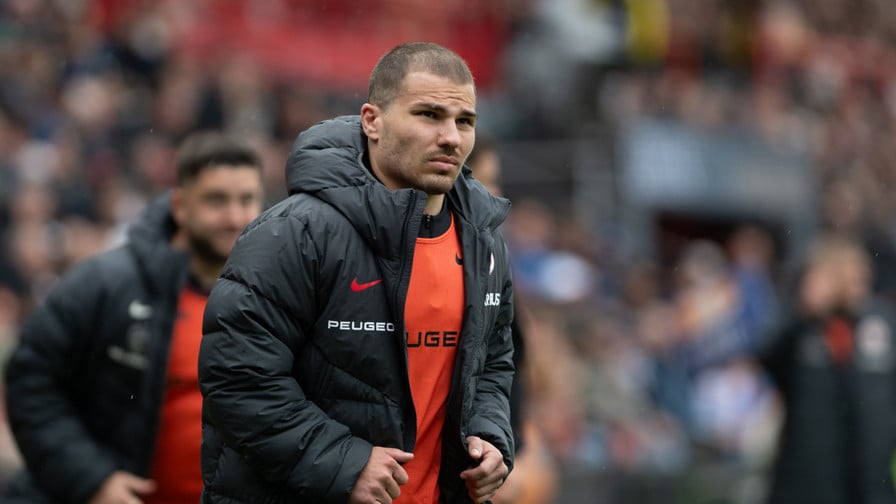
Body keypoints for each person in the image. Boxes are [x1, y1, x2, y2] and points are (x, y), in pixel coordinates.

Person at [198, 42, 515, 504]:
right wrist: (343, 463)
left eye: (464, 122)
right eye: (429, 115)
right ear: (372, 121)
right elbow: (237, 380)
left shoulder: (485, 243)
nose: (450, 137)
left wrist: (488, 433)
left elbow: (493, 363)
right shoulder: (294, 234)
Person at [3, 132, 265, 504]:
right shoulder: (104, 283)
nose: (235, 217)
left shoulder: (275, 298)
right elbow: (31, 382)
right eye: (216, 200)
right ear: (180, 206)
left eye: (247, 200)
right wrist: (92, 479)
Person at [759, 233, 896, 504]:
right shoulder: (803, 327)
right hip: (808, 478)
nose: (858, 280)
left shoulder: (882, 323)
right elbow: (768, 359)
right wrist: (804, 310)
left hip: (871, 480)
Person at [466, 133, 558, 504]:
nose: (496, 194)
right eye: (486, 181)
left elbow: (508, 363)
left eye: (496, 181)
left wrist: (508, 449)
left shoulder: (494, 256)